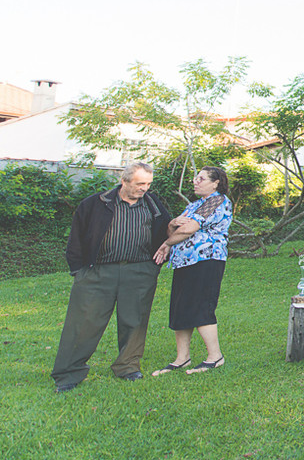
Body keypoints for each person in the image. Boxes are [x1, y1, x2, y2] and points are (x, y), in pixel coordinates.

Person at [51, 162, 171, 393]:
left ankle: (127, 366)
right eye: (139, 184)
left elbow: (166, 228)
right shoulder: (95, 204)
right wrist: (79, 270)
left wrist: (157, 261)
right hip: (98, 272)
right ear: (124, 181)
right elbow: (76, 237)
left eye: (148, 184)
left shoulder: (153, 204)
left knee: (134, 321)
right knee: (84, 323)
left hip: (139, 271)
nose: (144, 188)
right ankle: (68, 373)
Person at [151, 166, 233, 374]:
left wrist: (166, 244)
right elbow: (174, 228)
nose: (196, 181)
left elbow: (188, 229)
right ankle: (182, 359)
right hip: (185, 263)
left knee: (201, 306)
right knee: (181, 307)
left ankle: (215, 357)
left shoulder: (216, 200)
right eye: (195, 178)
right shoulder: (196, 204)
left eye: (201, 178)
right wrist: (171, 226)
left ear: (216, 183)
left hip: (206, 261)